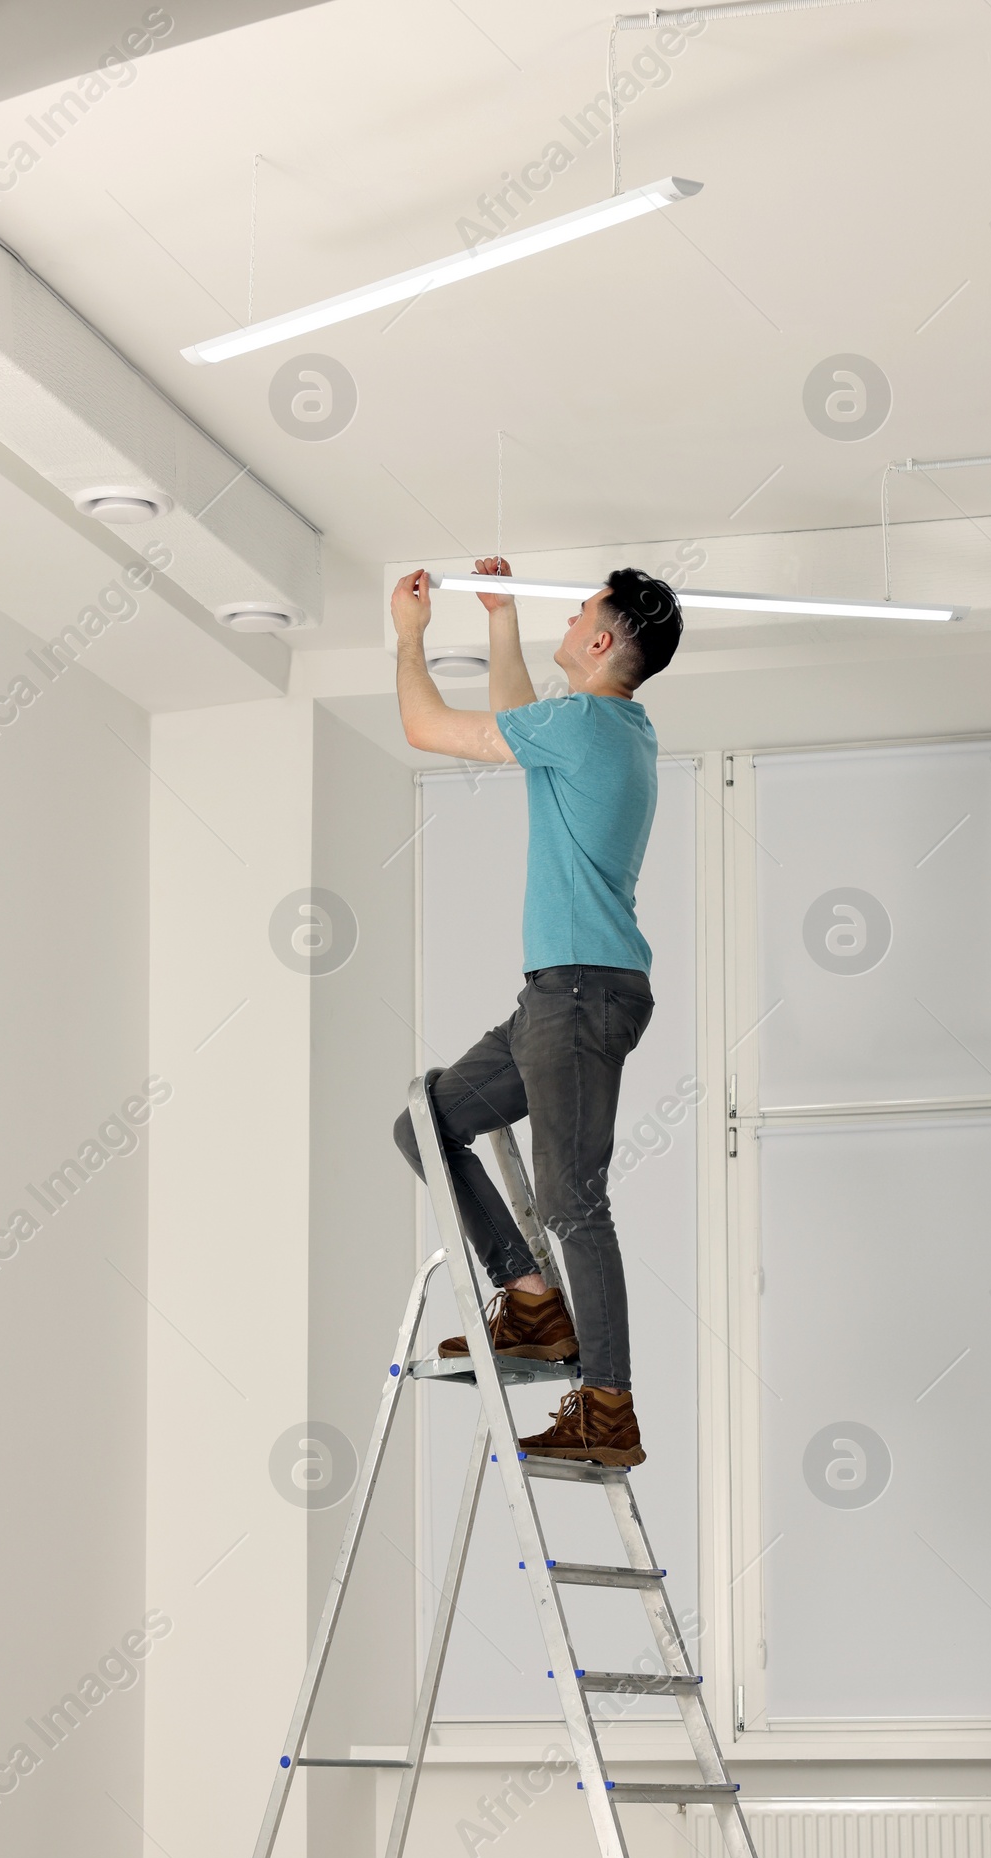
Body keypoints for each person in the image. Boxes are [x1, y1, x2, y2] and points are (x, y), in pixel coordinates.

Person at [390, 556, 683, 1467]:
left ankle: (608, 1405)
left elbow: (425, 726)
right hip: (556, 993)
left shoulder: (587, 722)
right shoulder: (607, 728)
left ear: (599, 641)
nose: (573, 617)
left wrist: (409, 638)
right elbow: (519, 721)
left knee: (572, 1199)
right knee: (425, 1124)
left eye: (580, 610)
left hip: (582, 993)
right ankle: (528, 1300)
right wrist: (502, 620)